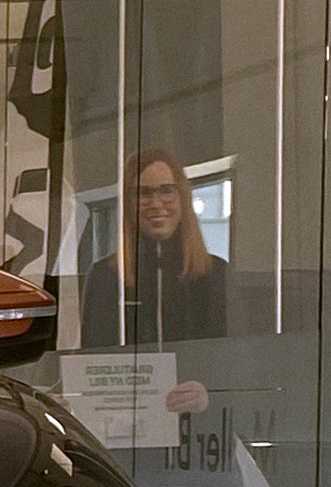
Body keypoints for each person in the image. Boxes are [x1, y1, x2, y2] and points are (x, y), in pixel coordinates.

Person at [82, 146, 225, 415]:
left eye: (166, 191)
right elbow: (92, 362)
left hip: (199, 427)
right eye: (144, 193)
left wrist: (210, 394)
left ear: (182, 198)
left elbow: (234, 362)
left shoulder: (215, 274)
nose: (156, 204)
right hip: (124, 421)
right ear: (129, 203)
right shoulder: (105, 276)